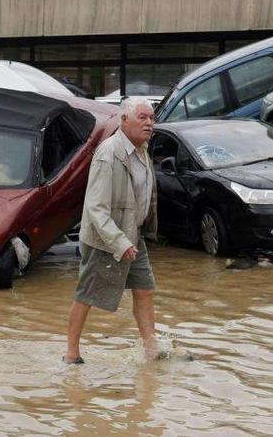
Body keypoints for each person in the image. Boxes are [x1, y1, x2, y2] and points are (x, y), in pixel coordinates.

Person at [65, 97, 163, 364]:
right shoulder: (108, 154)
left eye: (151, 118)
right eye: (142, 118)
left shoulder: (142, 149)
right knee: (87, 294)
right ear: (124, 121)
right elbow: (96, 208)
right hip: (106, 239)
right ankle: (71, 354)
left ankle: (151, 349)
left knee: (145, 289)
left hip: (133, 235)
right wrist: (119, 243)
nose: (149, 123)